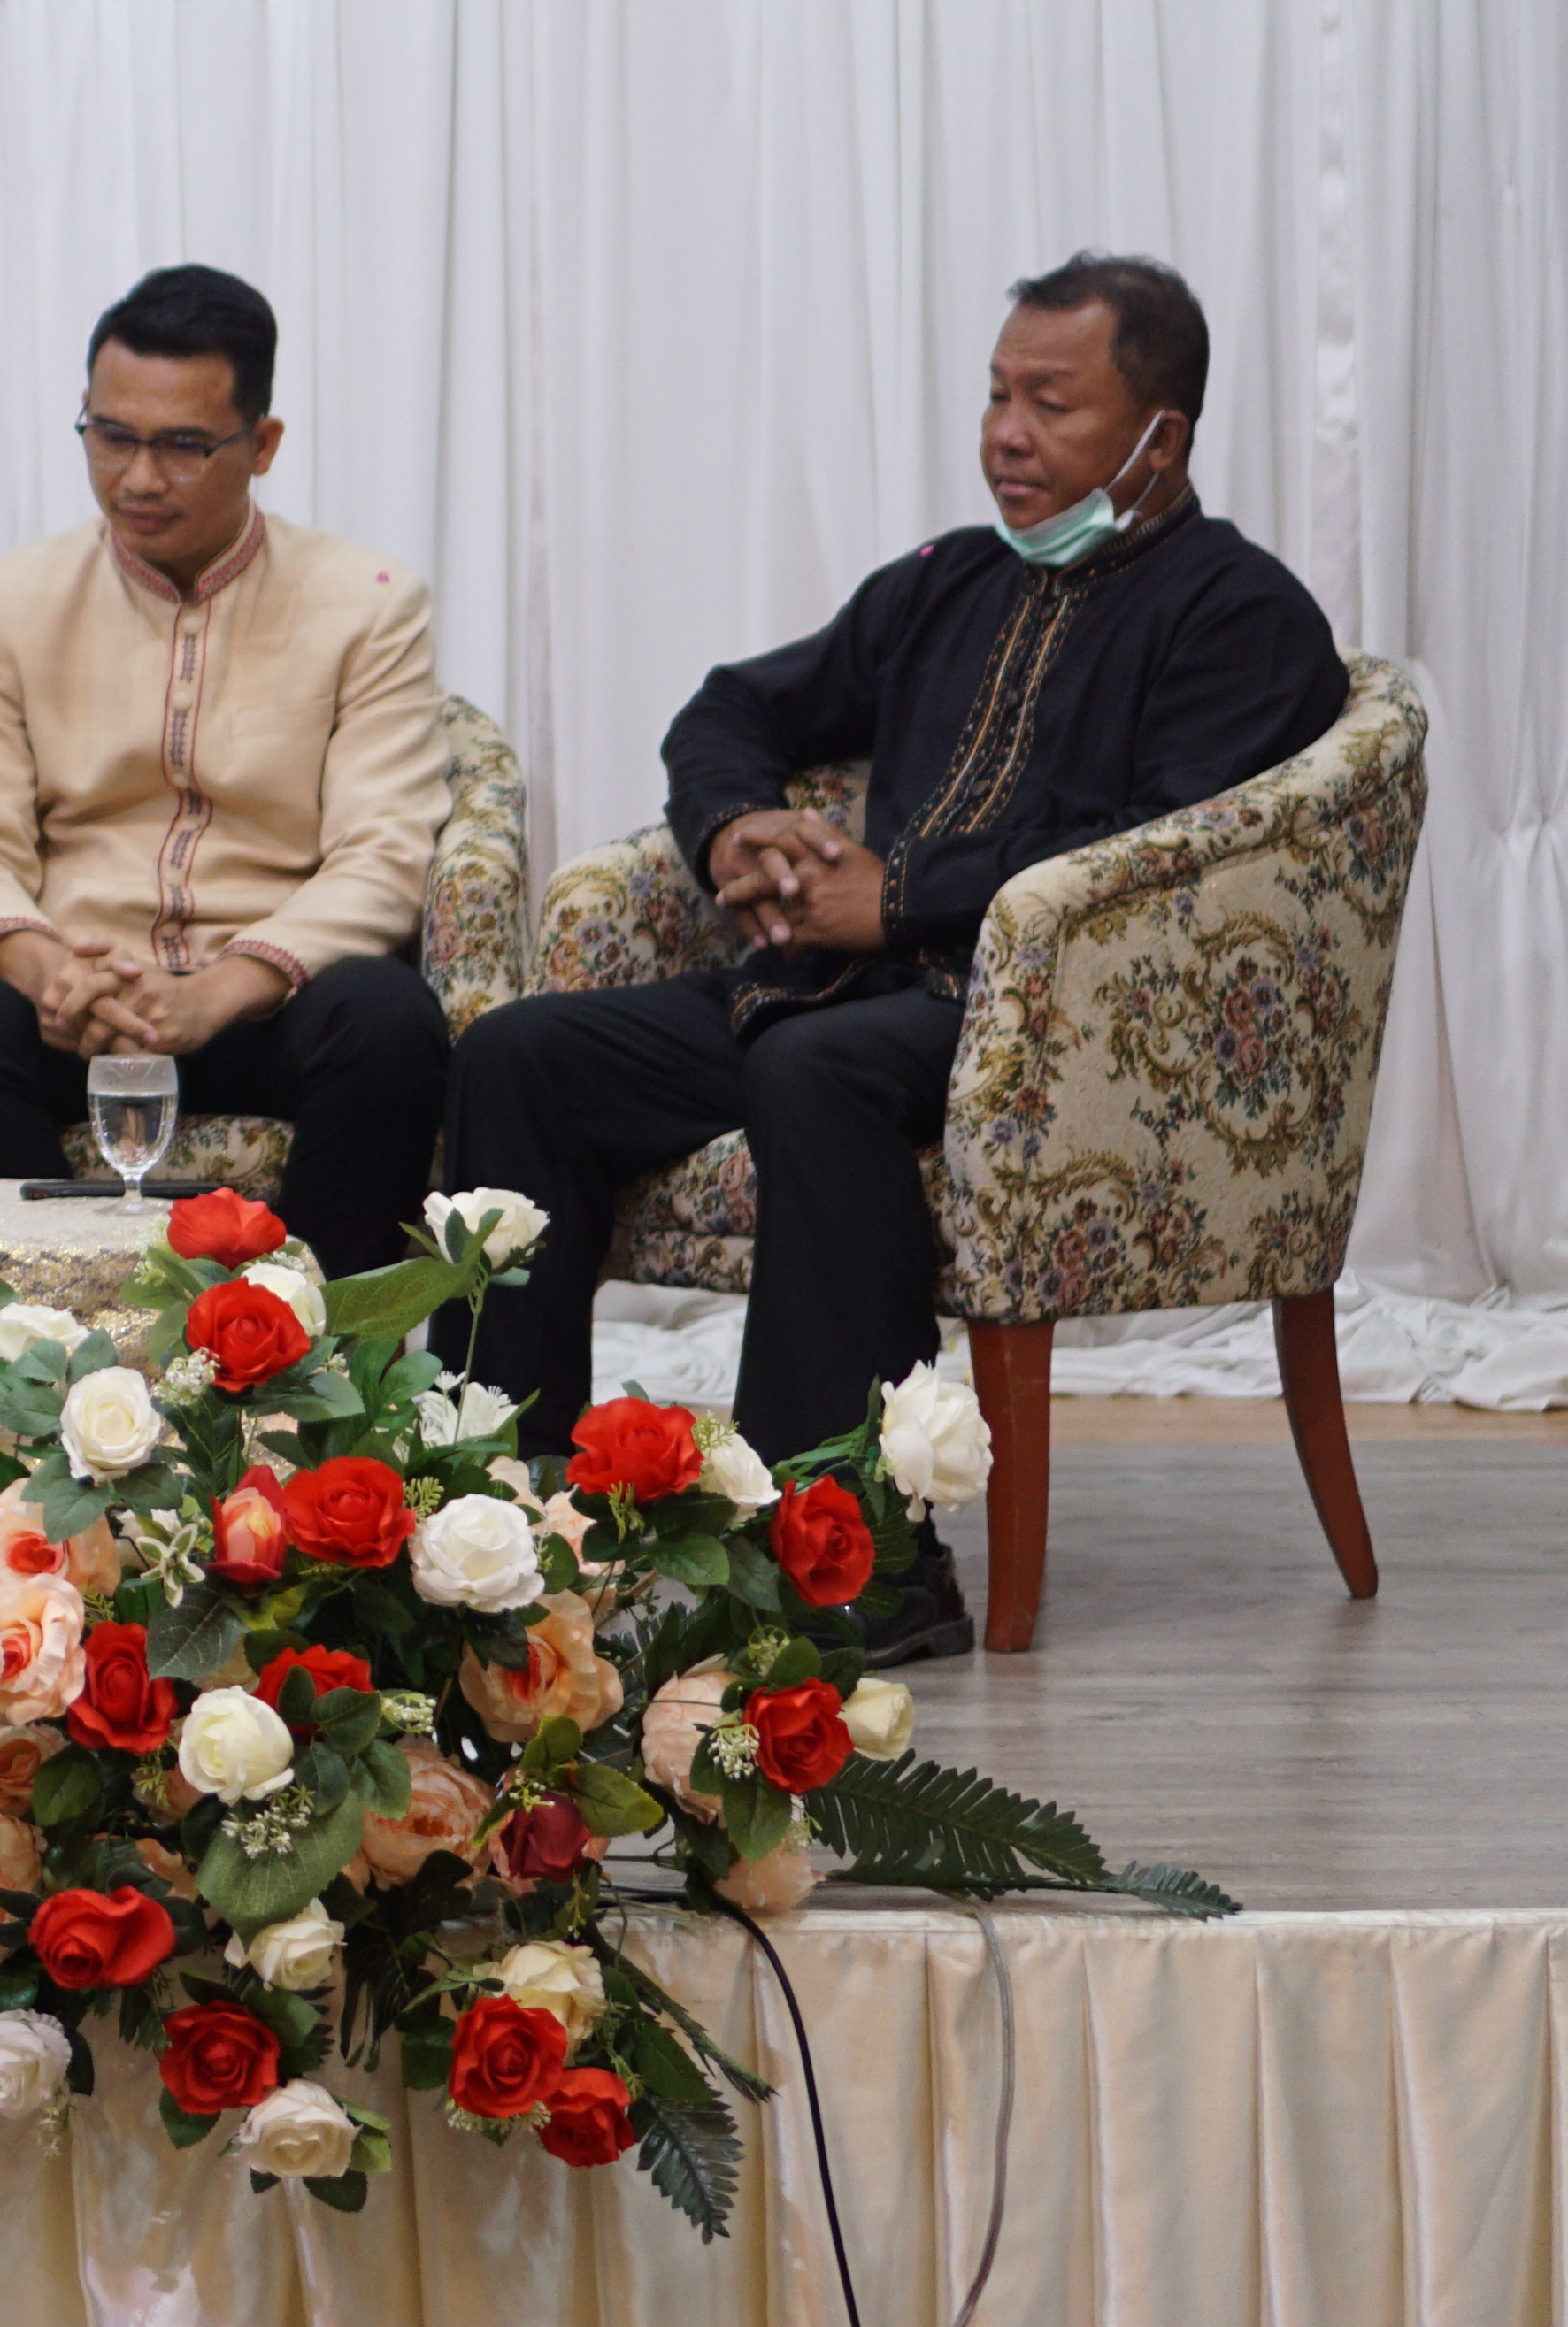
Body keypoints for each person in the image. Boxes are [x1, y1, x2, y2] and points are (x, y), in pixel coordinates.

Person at [454, 256, 1347, 1651]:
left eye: (1051, 403)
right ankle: (506, 1516)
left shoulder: (1242, 616)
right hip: (832, 989)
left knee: (818, 1069)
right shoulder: (946, 580)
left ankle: (845, 1552)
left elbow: (1161, 853)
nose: (1004, 433)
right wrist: (738, 825)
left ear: (1160, 436)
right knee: (522, 1053)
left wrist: (906, 896)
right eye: (998, 394)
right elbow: (732, 706)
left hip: (1068, 1037)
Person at [0, 265, 456, 1277]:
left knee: (387, 1020)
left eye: (183, 445)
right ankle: (50, 1336)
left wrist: (224, 987)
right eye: (111, 436)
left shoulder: (368, 603)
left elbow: (382, 855)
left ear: (262, 445)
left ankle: (315, 1357)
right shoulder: (8, 599)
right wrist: (46, 968)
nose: (138, 478)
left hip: (264, 1002)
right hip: (77, 1002)